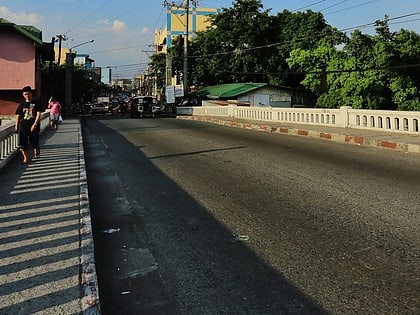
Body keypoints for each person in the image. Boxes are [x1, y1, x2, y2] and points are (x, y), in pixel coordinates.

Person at [15, 86, 42, 163]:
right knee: (22, 142)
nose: (27, 95)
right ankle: (25, 158)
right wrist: (16, 126)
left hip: (33, 125)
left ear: (31, 93)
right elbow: (18, 115)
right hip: (23, 125)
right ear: (23, 95)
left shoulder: (36, 102)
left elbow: (38, 114)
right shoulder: (22, 104)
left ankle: (36, 148)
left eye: (28, 94)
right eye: (25, 94)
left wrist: (35, 124)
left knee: (34, 140)